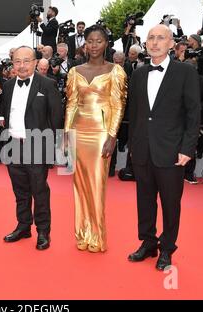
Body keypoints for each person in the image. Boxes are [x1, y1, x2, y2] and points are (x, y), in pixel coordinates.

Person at [127, 25, 201, 271]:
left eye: (161, 38)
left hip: (171, 151)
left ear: (171, 44)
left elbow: (193, 114)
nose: (155, 42)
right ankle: (147, 242)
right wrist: (133, 145)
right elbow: (135, 114)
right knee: (144, 201)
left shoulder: (185, 72)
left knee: (171, 203)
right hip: (143, 150)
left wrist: (187, 148)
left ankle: (167, 248)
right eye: (151, 38)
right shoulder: (138, 74)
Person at [64, 25, 127, 253]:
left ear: (106, 43)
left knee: (97, 186)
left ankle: (98, 236)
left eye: (98, 41)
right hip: (78, 133)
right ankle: (82, 234)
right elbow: (71, 104)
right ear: (85, 43)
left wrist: (112, 136)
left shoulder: (115, 71)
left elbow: (118, 105)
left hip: (101, 133)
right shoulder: (74, 71)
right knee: (79, 186)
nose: (93, 45)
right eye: (90, 41)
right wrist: (66, 134)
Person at [0, 46, 63, 250]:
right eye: (17, 61)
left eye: (26, 60)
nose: (22, 65)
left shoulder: (48, 85)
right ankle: (23, 226)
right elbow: (4, 115)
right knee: (20, 191)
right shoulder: (8, 86)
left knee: (39, 190)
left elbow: (56, 119)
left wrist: (59, 150)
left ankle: (43, 231)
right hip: (13, 145)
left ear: (35, 62)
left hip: (37, 145)